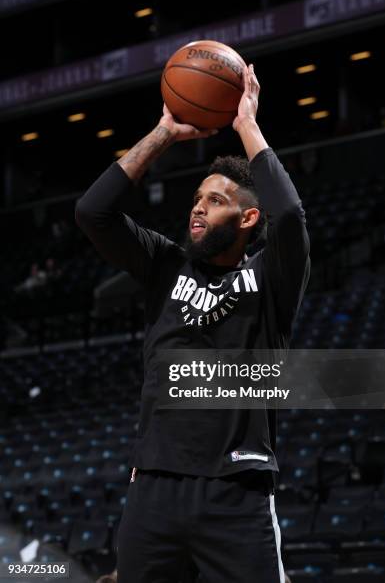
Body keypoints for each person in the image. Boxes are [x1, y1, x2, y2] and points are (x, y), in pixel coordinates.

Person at [75, 64, 310, 583]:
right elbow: (93, 212)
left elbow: (290, 216)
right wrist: (162, 134)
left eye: (217, 201)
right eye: (198, 199)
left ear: (248, 219)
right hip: (154, 488)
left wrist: (246, 122)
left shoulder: (271, 278)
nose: (198, 210)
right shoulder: (163, 263)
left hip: (237, 487)